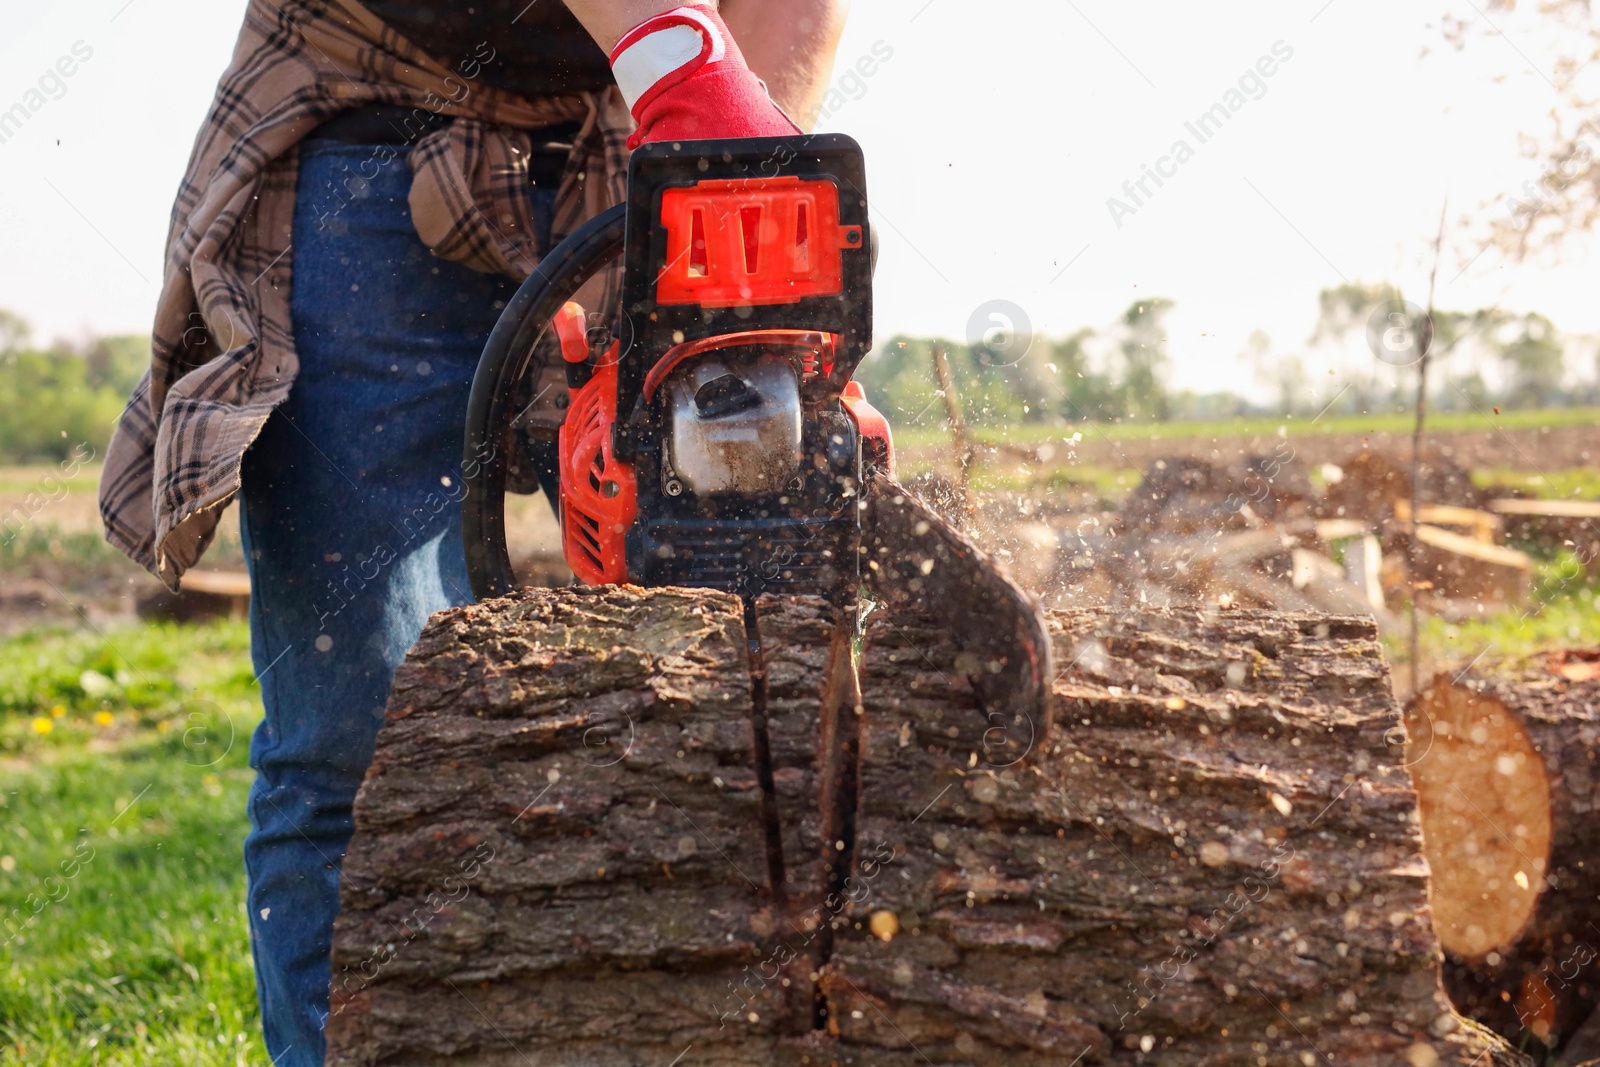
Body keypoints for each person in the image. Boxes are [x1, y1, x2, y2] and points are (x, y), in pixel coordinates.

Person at [97, 2, 848, 1063]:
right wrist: (682, 68)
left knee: (730, 703)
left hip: (620, 137)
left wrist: (732, 169)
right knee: (357, 724)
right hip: (369, 109)